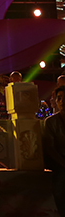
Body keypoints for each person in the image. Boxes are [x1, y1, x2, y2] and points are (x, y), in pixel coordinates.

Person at [43, 86, 65, 215]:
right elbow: (50, 148)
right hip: (59, 161)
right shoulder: (51, 122)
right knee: (60, 184)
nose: (62, 102)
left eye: (64, 98)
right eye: (59, 98)